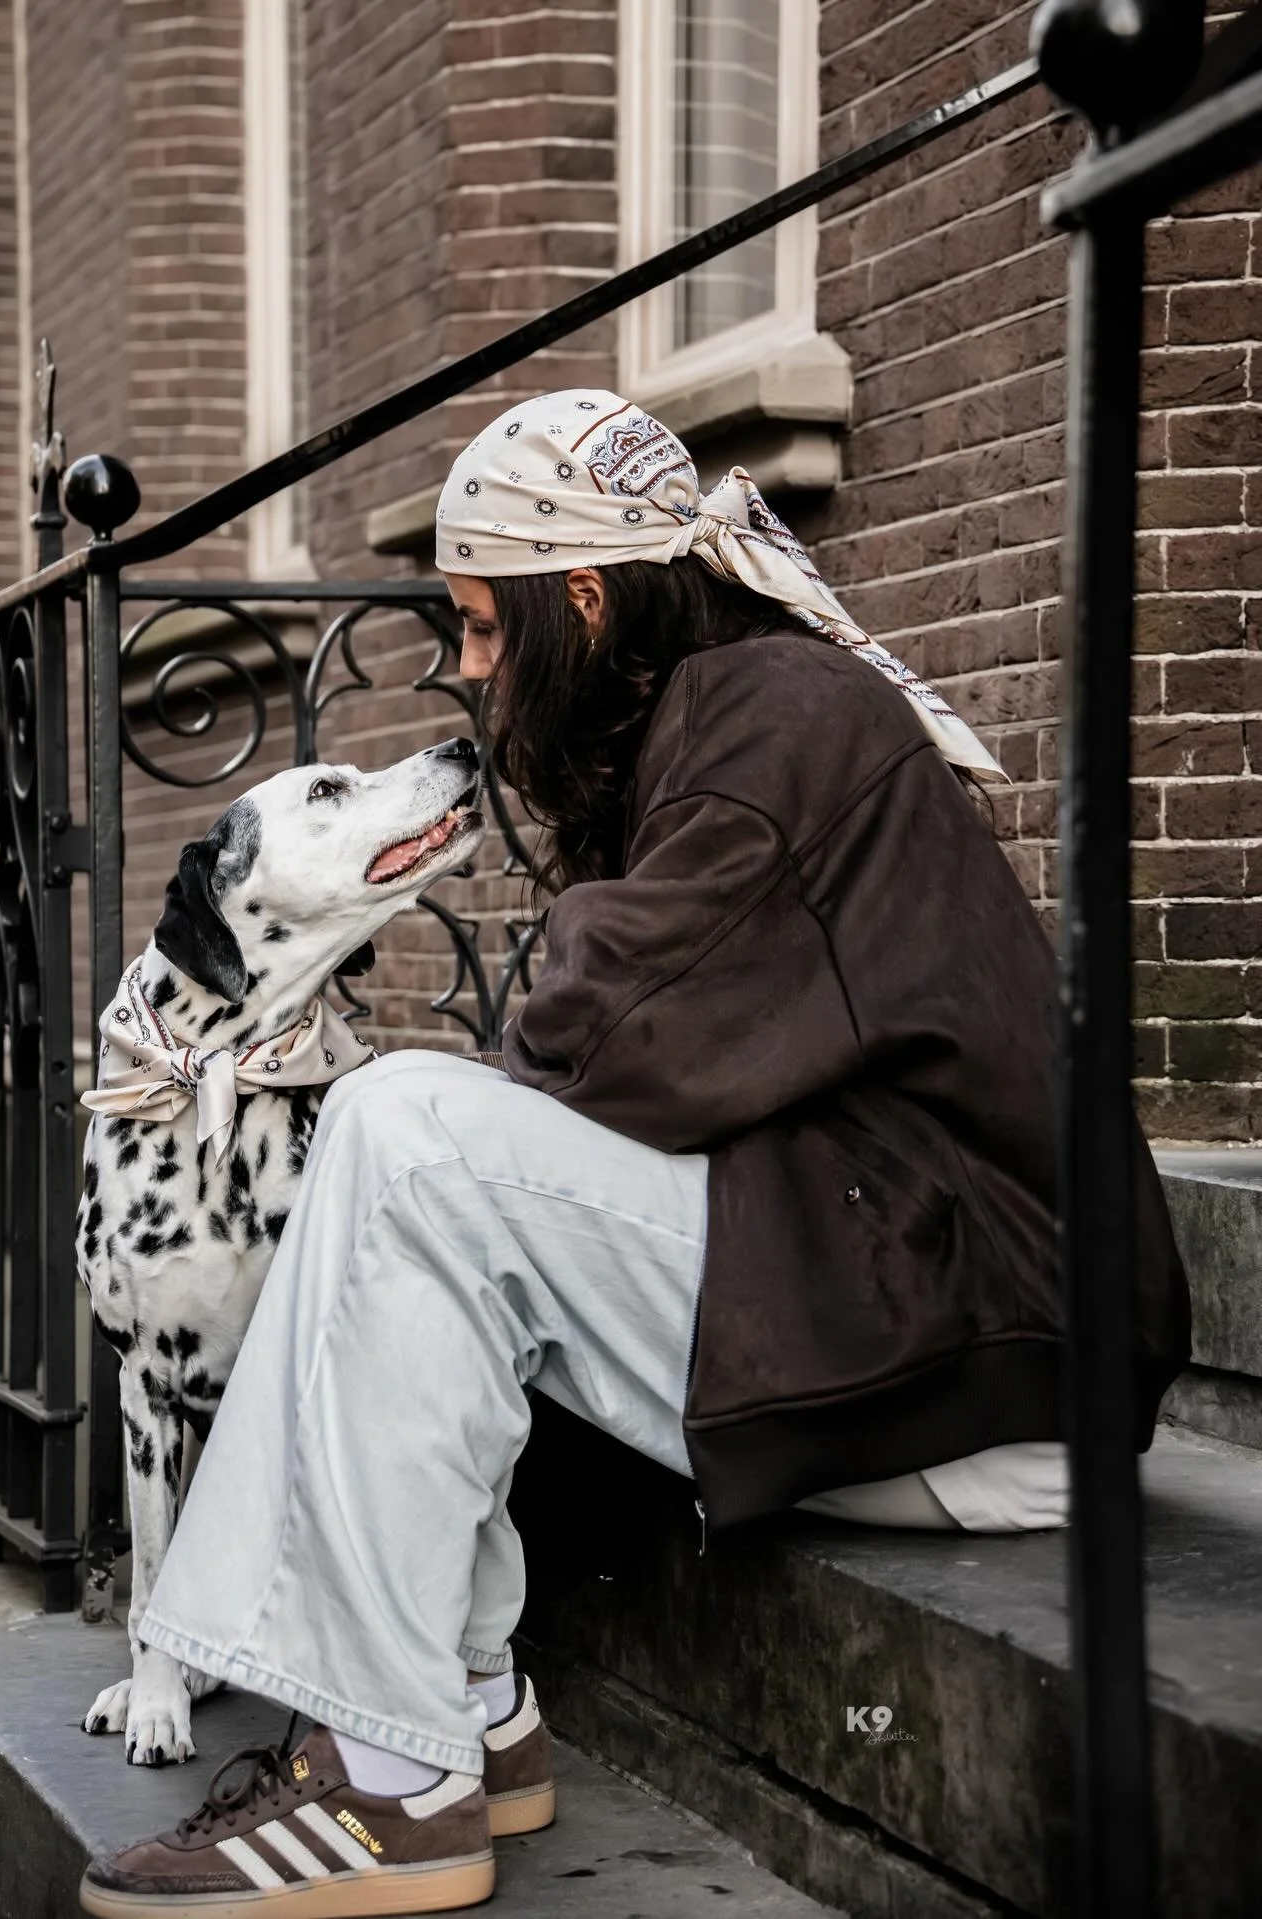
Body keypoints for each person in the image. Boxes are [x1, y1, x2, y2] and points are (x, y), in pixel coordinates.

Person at [79, 391, 1190, 1918]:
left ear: (581, 600)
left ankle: (398, 1788)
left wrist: (438, 1164)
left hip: (989, 1340)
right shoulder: (724, 709)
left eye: (481, 629)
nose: (471, 672)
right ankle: (463, 1710)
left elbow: (612, 1045)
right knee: (408, 1146)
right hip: (901, 1275)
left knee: (404, 1133)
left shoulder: (774, 724)